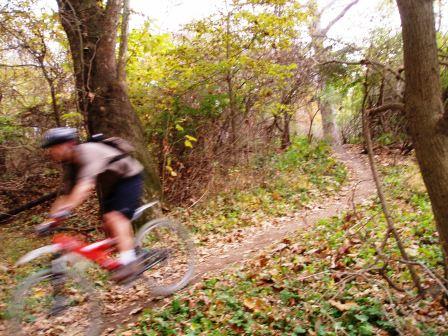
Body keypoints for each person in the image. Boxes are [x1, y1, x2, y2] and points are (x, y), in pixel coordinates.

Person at [38, 127, 145, 283]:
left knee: (115, 217)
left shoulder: (87, 152)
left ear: (68, 144)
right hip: (112, 186)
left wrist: (66, 210)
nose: (52, 152)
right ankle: (132, 250)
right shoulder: (71, 166)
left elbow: (85, 186)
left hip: (129, 177)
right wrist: (49, 220)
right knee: (108, 226)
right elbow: (64, 196)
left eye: (54, 147)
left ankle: (129, 263)